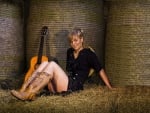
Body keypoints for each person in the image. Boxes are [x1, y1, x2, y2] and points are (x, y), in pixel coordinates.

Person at [11, 28, 112, 101]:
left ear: (82, 40)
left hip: (74, 87)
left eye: (76, 40)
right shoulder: (69, 52)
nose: (73, 43)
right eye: (71, 41)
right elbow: (69, 70)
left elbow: (100, 70)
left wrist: (109, 87)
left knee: (52, 64)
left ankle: (30, 93)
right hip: (63, 85)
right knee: (45, 62)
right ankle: (24, 88)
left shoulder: (89, 54)